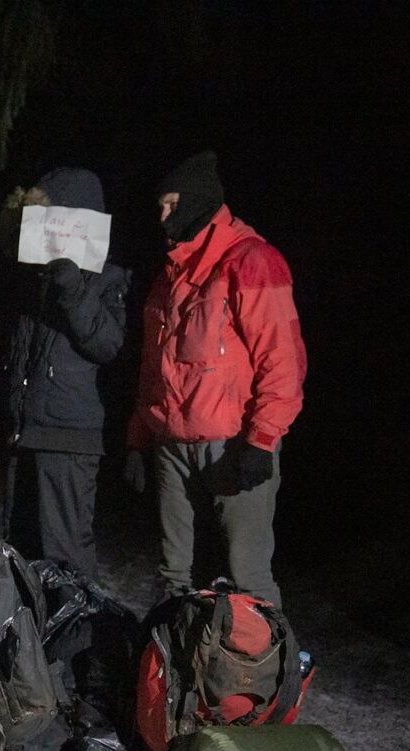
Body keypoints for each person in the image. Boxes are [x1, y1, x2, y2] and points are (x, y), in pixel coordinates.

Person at [125, 151, 307, 606]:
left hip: (232, 445)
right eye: (160, 206)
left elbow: (282, 360)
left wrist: (262, 440)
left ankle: (264, 675)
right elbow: (155, 365)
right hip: (172, 445)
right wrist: (138, 438)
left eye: (171, 204)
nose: (162, 215)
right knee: (175, 576)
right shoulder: (170, 273)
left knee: (247, 577)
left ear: (197, 202)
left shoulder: (252, 260)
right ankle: (179, 672)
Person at [0, 168, 128, 576]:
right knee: (21, 552)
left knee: (65, 555)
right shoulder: (31, 277)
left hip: (69, 436)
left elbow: (108, 343)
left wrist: (72, 285)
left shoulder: (108, 276)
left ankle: (80, 635)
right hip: (26, 431)